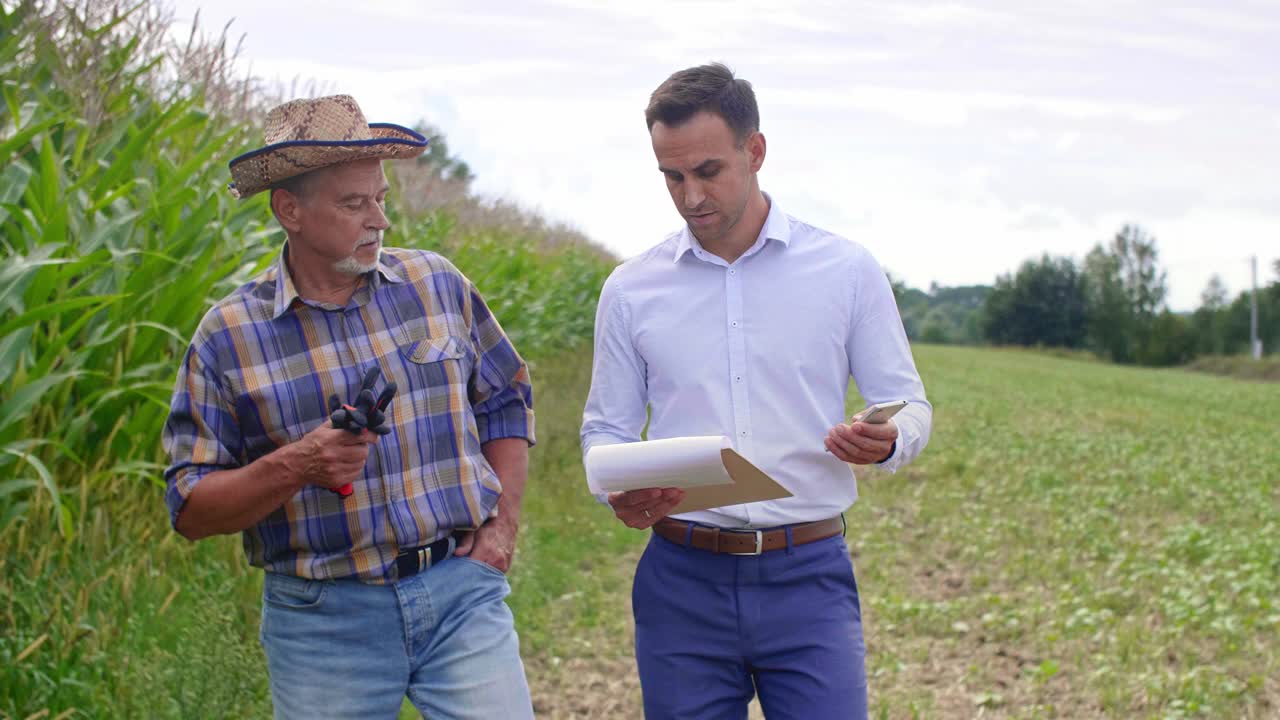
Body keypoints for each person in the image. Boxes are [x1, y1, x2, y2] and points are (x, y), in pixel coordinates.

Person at [162, 95, 536, 719]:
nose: (379, 221)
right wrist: (298, 464)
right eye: (353, 204)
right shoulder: (227, 336)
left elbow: (505, 399)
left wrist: (503, 526)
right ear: (290, 211)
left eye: (381, 199)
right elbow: (191, 508)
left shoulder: (436, 285)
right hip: (322, 623)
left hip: (459, 595)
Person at [580, 63, 933, 719]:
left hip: (809, 577)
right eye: (672, 177)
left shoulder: (846, 270)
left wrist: (887, 442)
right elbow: (605, 428)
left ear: (756, 151)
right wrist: (616, 492)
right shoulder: (630, 290)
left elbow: (910, 405)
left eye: (708, 171)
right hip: (681, 582)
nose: (690, 196)